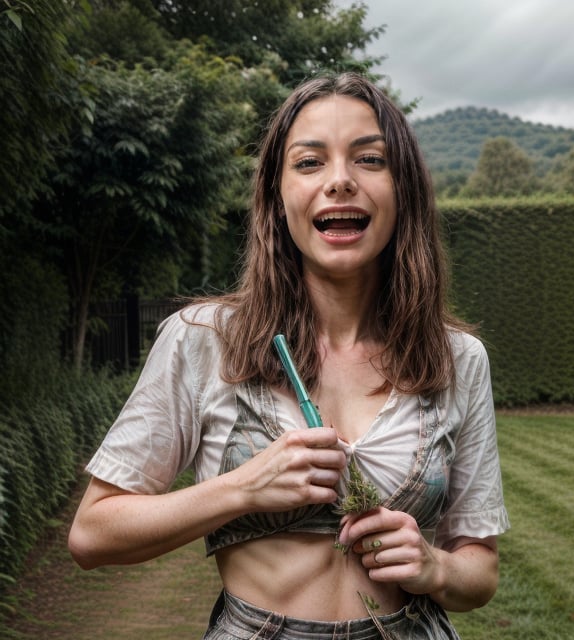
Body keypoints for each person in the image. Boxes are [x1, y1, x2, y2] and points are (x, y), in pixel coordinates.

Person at [68, 71, 510, 639]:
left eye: (370, 159)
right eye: (309, 162)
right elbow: (92, 534)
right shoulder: (201, 338)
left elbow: (480, 567)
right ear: (277, 198)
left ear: (404, 191)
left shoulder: (458, 358)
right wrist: (242, 488)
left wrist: (437, 566)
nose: (340, 181)